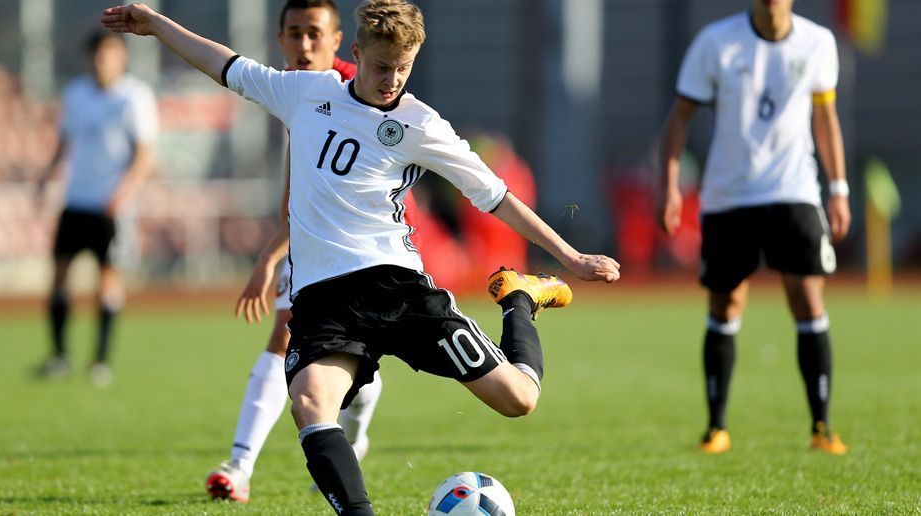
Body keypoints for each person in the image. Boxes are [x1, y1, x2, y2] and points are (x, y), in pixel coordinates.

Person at [102, 1, 620, 513]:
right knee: (309, 404)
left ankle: (520, 299)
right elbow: (223, 64)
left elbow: (495, 196)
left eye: (403, 68)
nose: (392, 79)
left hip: (398, 290)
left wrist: (570, 257)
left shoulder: (422, 125)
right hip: (324, 300)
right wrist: (156, 24)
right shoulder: (306, 92)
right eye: (380, 66)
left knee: (518, 401)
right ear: (355, 53)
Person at [205, 0, 382, 503]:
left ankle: (353, 434)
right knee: (282, 336)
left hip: (372, 249)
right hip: (311, 246)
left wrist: (267, 255)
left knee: (362, 365)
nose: (303, 46)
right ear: (280, 38)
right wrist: (274, 254)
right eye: (294, 34)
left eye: (313, 34)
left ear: (337, 40)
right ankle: (238, 467)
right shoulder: (294, 91)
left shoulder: (361, 91)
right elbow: (298, 192)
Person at [657, 0, 850, 455]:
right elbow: (679, 116)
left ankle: (821, 427)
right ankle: (716, 428)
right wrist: (669, 186)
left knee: (808, 299)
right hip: (730, 198)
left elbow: (825, 118)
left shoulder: (818, 42)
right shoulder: (716, 42)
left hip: (794, 193)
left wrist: (838, 186)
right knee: (725, 305)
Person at [35, 30, 157, 387]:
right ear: (90, 58)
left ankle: (101, 361)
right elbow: (65, 141)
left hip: (110, 206)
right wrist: (47, 175)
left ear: (122, 58)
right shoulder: (76, 94)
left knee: (107, 280)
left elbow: (144, 155)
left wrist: (123, 193)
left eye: (110, 55)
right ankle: (59, 356)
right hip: (75, 201)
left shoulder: (134, 97)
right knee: (59, 276)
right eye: (98, 55)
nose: (103, 62)